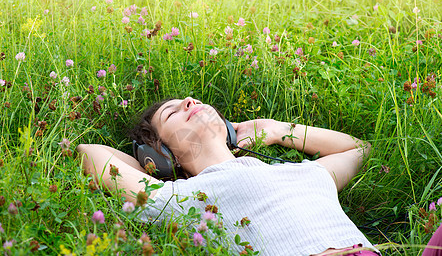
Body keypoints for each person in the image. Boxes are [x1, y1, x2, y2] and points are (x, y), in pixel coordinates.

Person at [78, 97, 380, 255]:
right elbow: (89, 152)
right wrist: (152, 167)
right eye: (172, 113)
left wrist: (274, 129)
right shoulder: (183, 197)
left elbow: (358, 149)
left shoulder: (303, 172)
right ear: (163, 156)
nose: (190, 102)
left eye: (193, 101)